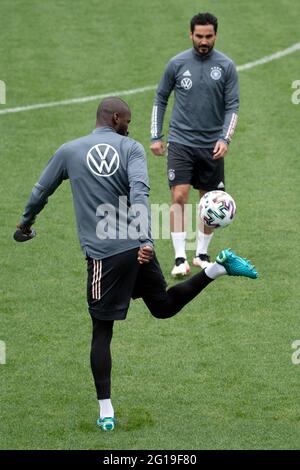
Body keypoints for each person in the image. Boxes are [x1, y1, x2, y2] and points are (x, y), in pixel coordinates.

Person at [14, 97, 257, 432]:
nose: (130, 126)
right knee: (163, 306)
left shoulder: (69, 151)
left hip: (105, 254)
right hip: (136, 245)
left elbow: (40, 191)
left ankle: (106, 411)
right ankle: (218, 268)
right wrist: (144, 240)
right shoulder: (131, 149)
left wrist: (25, 225)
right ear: (115, 118)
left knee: (102, 330)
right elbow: (140, 192)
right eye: (128, 120)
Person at [150, 12, 239, 276]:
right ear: (190, 34)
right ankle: (179, 259)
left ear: (216, 35)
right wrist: (156, 136)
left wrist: (225, 138)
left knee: (208, 201)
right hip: (180, 141)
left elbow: (232, 106)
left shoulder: (226, 66)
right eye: (199, 36)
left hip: (211, 144)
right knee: (179, 196)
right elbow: (160, 98)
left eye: (208, 36)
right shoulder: (177, 64)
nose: (203, 41)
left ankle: (201, 254)